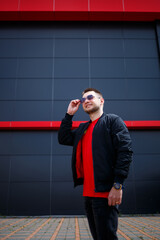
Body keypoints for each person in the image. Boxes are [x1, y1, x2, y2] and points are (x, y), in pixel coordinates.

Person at [58, 88, 133, 240]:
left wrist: (118, 185)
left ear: (101, 100)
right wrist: (69, 114)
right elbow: (63, 138)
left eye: (90, 97)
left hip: (105, 193)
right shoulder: (83, 129)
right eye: (83, 99)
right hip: (88, 195)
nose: (86, 100)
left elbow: (125, 151)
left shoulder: (112, 121)